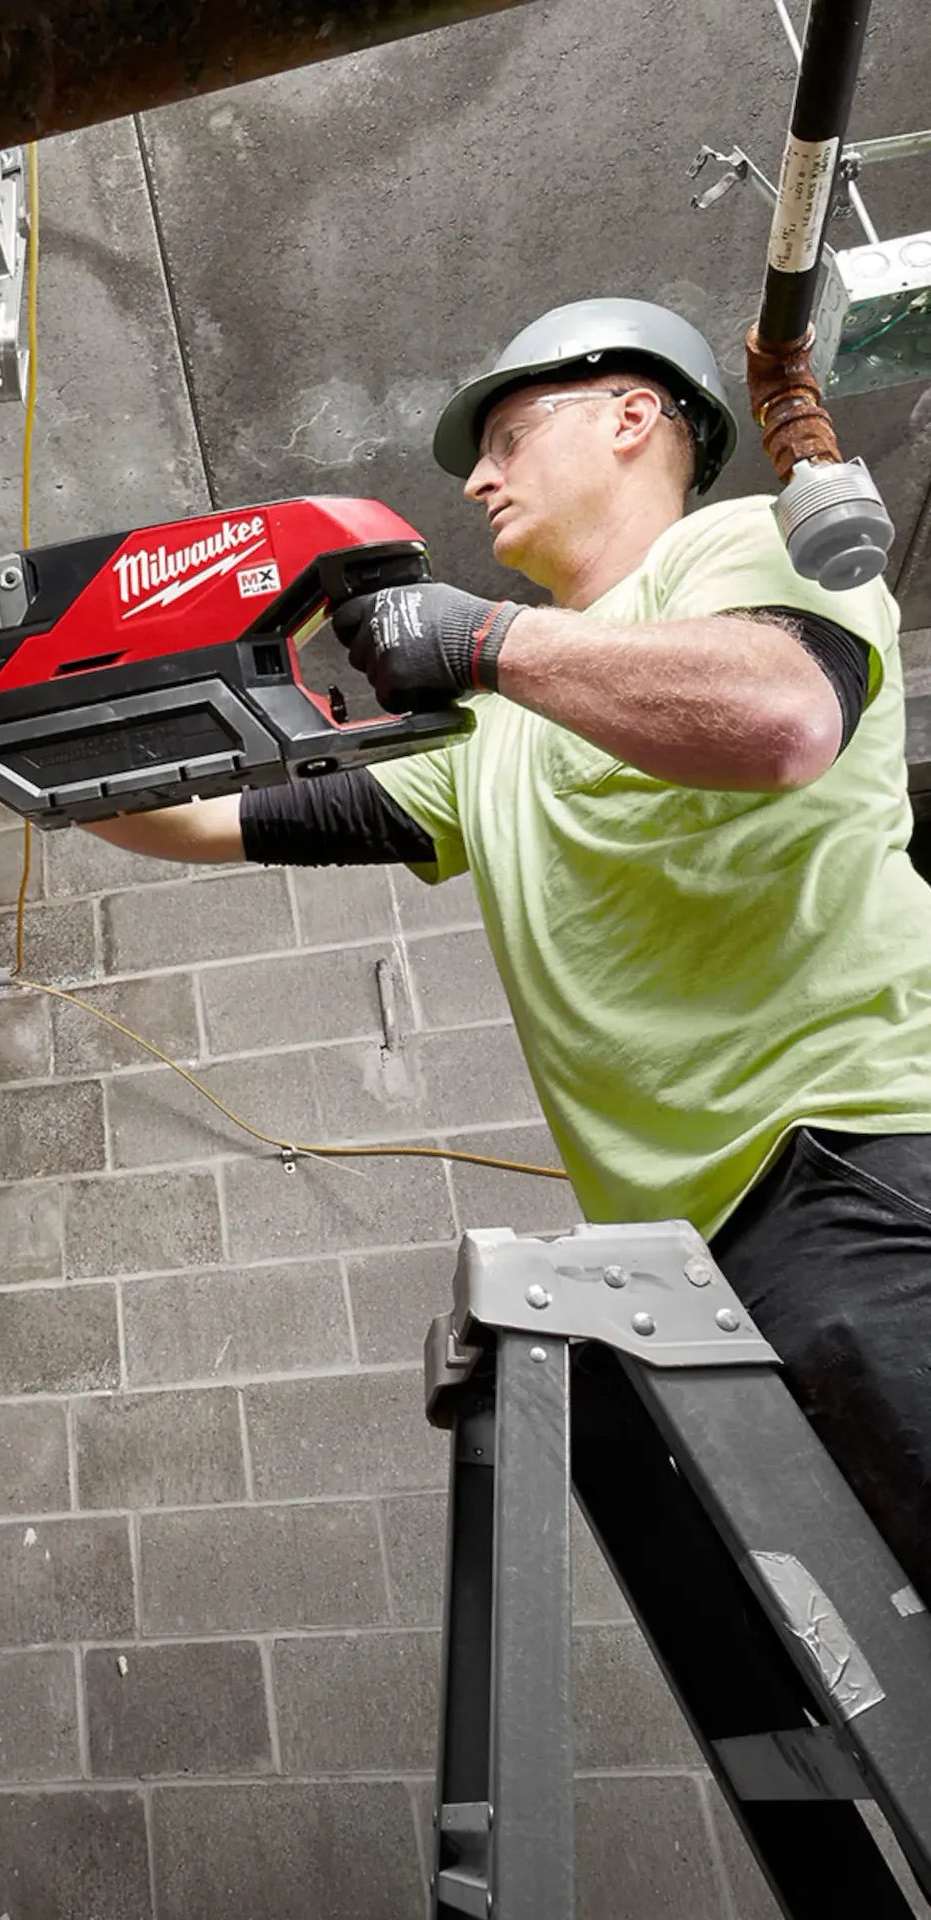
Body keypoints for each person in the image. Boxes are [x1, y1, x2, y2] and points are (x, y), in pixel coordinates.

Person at [72, 300, 931, 1596]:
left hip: (859, 1166)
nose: (478, 479)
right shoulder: (494, 733)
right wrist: (31, 744)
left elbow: (782, 716)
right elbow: (205, 818)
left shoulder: (754, 544)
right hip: (700, 1262)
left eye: (509, 437)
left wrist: (485, 637)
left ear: (633, 417)